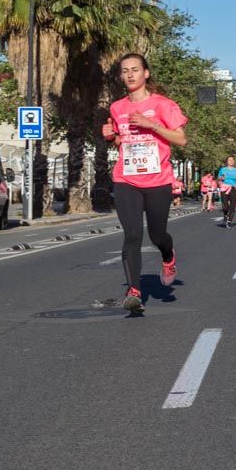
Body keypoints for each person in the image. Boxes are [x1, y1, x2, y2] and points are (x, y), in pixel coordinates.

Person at [101, 53, 188, 314]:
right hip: (126, 178)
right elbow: (122, 141)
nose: (129, 75)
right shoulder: (117, 108)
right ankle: (134, 291)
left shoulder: (164, 105)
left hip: (158, 179)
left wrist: (152, 125)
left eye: (135, 70)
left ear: (146, 73)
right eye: (124, 71)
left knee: (157, 234)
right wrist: (111, 137)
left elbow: (181, 139)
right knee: (133, 235)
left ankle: (168, 256)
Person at [216, 156, 236, 228]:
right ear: (227, 162)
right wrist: (221, 178)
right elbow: (218, 179)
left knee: (232, 205)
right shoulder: (223, 170)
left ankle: (229, 221)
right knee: (225, 206)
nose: (231, 161)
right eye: (230, 160)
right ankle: (225, 215)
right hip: (224, 188)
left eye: (232, 160)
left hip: (233, 188)